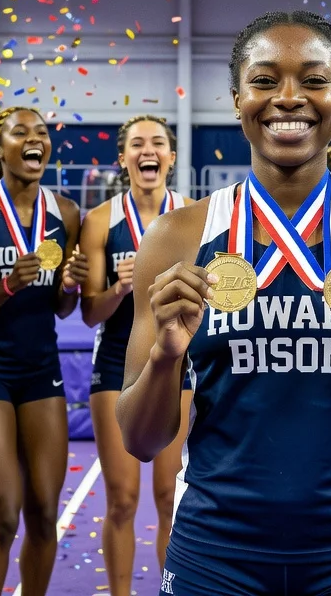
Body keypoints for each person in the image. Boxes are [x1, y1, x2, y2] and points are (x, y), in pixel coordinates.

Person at [117, 11, 331, 596]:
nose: (289, 99)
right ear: (237, 99)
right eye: (266, 80)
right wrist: (166, 359)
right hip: (214, 554)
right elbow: (140, 441)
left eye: (314, 80)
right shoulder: (176, 238)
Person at [0, 105, 88, 596]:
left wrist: (70, 284)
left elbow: (64, 307)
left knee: (46, 513)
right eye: (21, 132)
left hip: (39, 368)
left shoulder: (66, 213)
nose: (35, 139)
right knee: (4, 513)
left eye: (42, 132)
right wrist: (6, 285)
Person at [76, 114, 191, 596]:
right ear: (124, 159)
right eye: (138, 144)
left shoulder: (193, 215)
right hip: (115, 369)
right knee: (122, 500)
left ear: (171, 156)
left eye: (158, 143)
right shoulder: (101, 221)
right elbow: (88, 314)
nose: (149, 151)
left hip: (178, 368)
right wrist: (121, 287)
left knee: (170, 497)